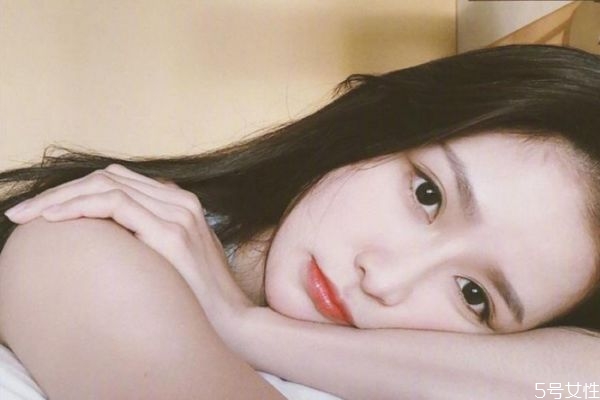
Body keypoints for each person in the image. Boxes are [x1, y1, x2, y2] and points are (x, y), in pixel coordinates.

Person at [0, 44, 599, 399]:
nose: (384, 279)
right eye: (427, 194)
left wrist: (250, 329)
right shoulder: (99, 239)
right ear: (378, 130)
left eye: (474, 295)